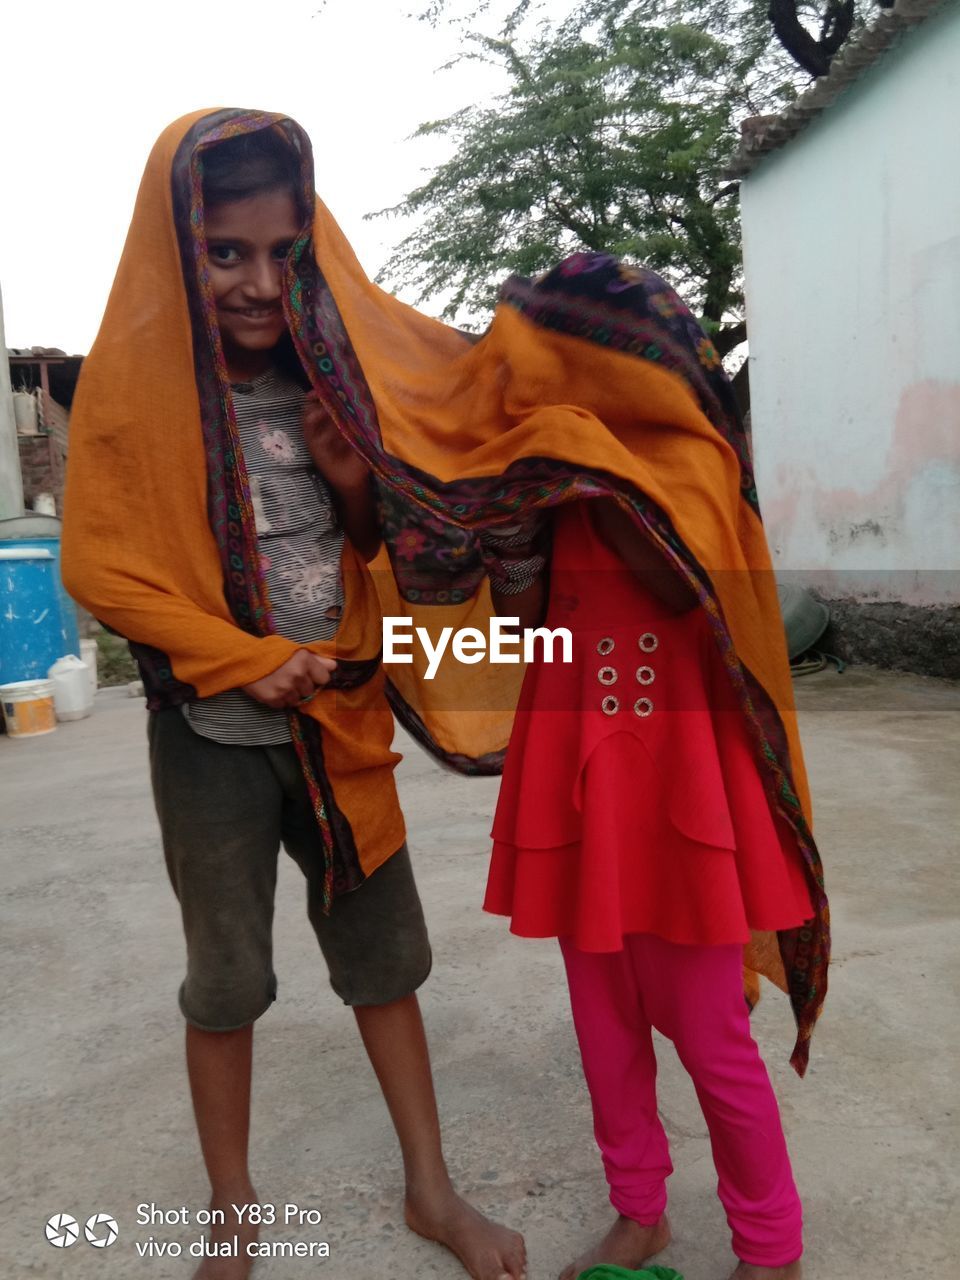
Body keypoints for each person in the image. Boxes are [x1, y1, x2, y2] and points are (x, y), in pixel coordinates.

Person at [62, 110, 525, 1280]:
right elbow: (100, 566)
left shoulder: (336, 380)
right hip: (211, 741)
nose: (261, 281)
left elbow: (365, 547)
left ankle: (433, 1188)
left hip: (342, 729)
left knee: (386, 963)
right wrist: (241, 655)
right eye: (226, 251)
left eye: (285, 250)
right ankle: (231, 1206)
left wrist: (349, 482)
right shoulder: (131, 394)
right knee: (225, 981)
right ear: (176, 245)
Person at [477, 341, 825, 1275]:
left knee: (711, 1035)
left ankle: (770, 1244)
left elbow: (682, 584)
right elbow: (522, 624)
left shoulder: (690, 455)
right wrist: (514, 526)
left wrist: (591, 474)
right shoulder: (547, 470)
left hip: (680, 786)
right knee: (605, 1029)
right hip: (579, 781)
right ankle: (641, 1210)